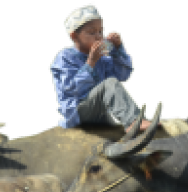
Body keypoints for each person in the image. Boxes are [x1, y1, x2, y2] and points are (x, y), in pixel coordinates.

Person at [49, 2, 161, 132]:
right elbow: (72, 90)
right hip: (77, 112)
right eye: (91, 32)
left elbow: (122, 76)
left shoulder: (102, 57)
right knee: (109, 84)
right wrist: (90, 63)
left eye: (101, 31)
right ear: (74, 36)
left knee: (111, 83)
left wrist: (118, 50)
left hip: (101, 115)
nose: (98, 36)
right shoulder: (64, 57)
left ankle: (134, 119)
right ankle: (133, 121)